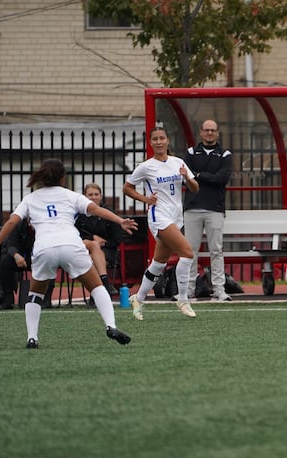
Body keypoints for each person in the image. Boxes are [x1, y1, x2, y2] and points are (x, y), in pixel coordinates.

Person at [0, 158, 137, 348]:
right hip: (71, 244)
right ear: (63, 177)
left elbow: (11, 222)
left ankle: (32, 338)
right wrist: (120, 221)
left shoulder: (30, 198)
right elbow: (96, 209)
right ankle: (111, 326)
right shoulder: (70, 195)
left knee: (35, 294)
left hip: (44, 247)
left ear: (42, 177)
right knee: (97, 287)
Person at [123, 126, 200, 320]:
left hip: (176, 216)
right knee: (187, 253)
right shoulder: (146, 166)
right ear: (150, 143)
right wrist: (145, 199)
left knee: (158, 263)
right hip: (159, 217)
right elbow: (127, 188)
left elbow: (195, 188)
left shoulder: (178, 162)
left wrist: (186, 177)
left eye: (162, 138)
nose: (159, 142)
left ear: (167, 141)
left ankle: (138, 298)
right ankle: (183, 299)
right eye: (155, 139)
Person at [182, 119, 234, 302]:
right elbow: (185, 176)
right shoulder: (190, 153)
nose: (210, 133)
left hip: (215, 209)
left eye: (213, 130)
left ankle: (219, 289)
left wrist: (198, 175)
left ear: (217, 133)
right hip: (192, 208)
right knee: (190, 250)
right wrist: (201, 177)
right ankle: (188, 289)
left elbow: (222, 178)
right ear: (201, 132)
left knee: (216, 250)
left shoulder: (225, 154)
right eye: (207, 130)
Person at [75, 182, 122, 298]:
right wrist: (92, 238)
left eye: (96, 194)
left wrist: (104, 242)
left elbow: (118, 238)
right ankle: (104, 286)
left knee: (92, 259)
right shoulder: (80, 214)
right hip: (84, 249)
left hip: (108, 250)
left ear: (101, 196)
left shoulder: (108, 213)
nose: (93, 197)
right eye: (90, 195)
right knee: (91, 256)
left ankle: (95, 296)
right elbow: (76, 235)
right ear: (85, 196)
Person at [0, 218, 53, 310]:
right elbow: (10, 244)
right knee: (5, 262)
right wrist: (16, 255)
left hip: (40, 257)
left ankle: (45, 299)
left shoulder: (47, 226)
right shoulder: (17, 224)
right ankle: (8, 299)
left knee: (50, 260)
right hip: (21, 258)